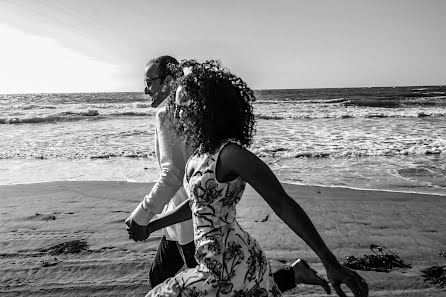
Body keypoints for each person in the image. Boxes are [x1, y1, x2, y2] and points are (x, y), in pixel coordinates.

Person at [141, 60, 369, 297]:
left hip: (231, 268)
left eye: (185, 104)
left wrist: (329, 261)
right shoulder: (198, 156)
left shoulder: (230, 154)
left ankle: (291, 275)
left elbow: (282, 203)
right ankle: (293, 275)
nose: (179, 112)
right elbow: (198, 206)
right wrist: (153, 224)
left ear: (206, 107)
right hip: (216, 266)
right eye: (177, 105)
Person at [125, 55, 198, 287]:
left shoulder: (167, 115)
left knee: (213, 288)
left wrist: (142, 216)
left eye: (149, 82)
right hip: (176, 219)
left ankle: (289, 277)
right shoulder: (191, 112)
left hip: (190, 223)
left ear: (167, 80)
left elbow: (173, 174)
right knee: (158, 278)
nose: (146, 89)